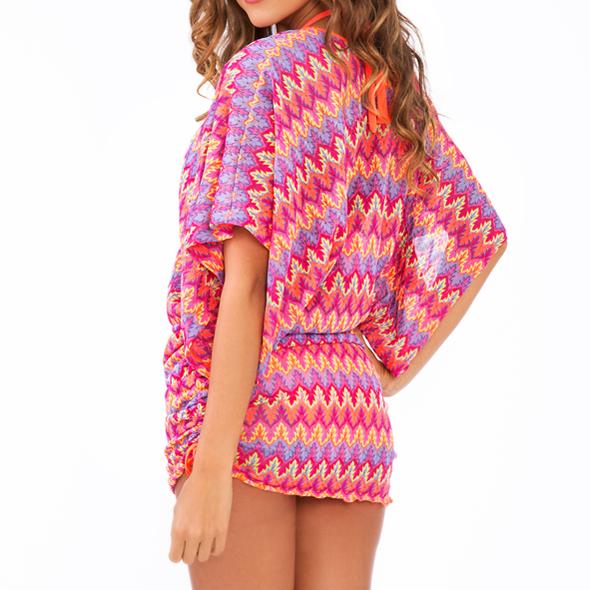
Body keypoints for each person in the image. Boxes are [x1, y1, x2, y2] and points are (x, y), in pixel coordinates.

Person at [162, 1, 508, 588]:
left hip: (253, 412)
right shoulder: (383, 83)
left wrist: (211, 467)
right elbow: (478, 237)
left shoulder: (263, 73)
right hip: (350, 414)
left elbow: (248, 286)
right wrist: (385, 373)